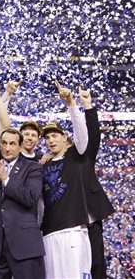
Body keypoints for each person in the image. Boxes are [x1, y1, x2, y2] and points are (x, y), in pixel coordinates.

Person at [40, 82, 92, 278]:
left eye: (54, 136)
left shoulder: (75, 156)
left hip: (73, 231)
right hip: (49, 232)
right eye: (47, 138)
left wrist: (71, 103)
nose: (51, 140)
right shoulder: (43, 164)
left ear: (64, 137)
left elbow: (82, 133)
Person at [0, 128, 45, 278]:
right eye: (4, 143)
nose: (7, 148)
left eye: (12, 143)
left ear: (20, 146)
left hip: (25, 244)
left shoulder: (32, 168)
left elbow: (31, 198)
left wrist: (5, 179)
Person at [80, 89, 115, 279]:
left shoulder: (83, 160)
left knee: (97, 267)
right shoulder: (54, 164)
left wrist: (87, 106)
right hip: (68, 228)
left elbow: (93, 137)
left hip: (90, 223)